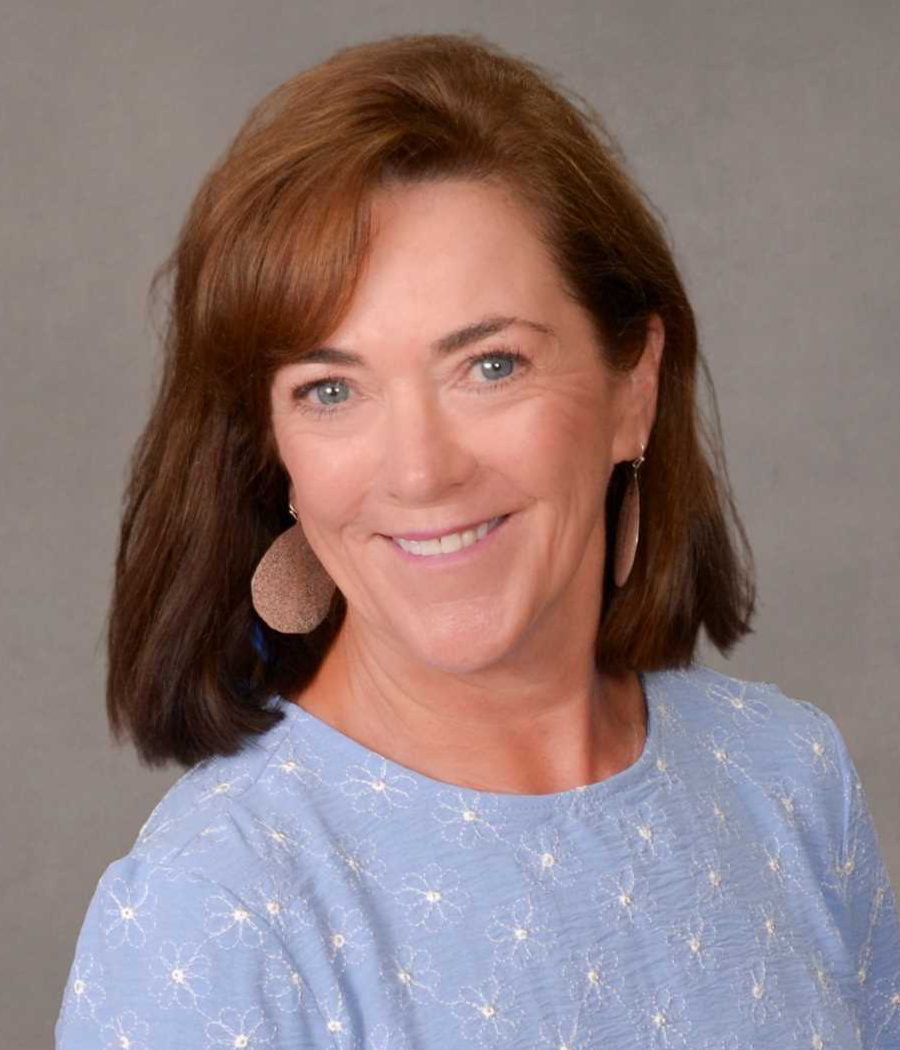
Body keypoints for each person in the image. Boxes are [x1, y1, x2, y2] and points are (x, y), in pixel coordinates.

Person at [55, 31, 900, 1049]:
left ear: (633, 387)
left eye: (490, 366)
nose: (420, 470)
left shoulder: (788, 782)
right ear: (276, 455)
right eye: (331, 389)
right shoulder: (220, 912)